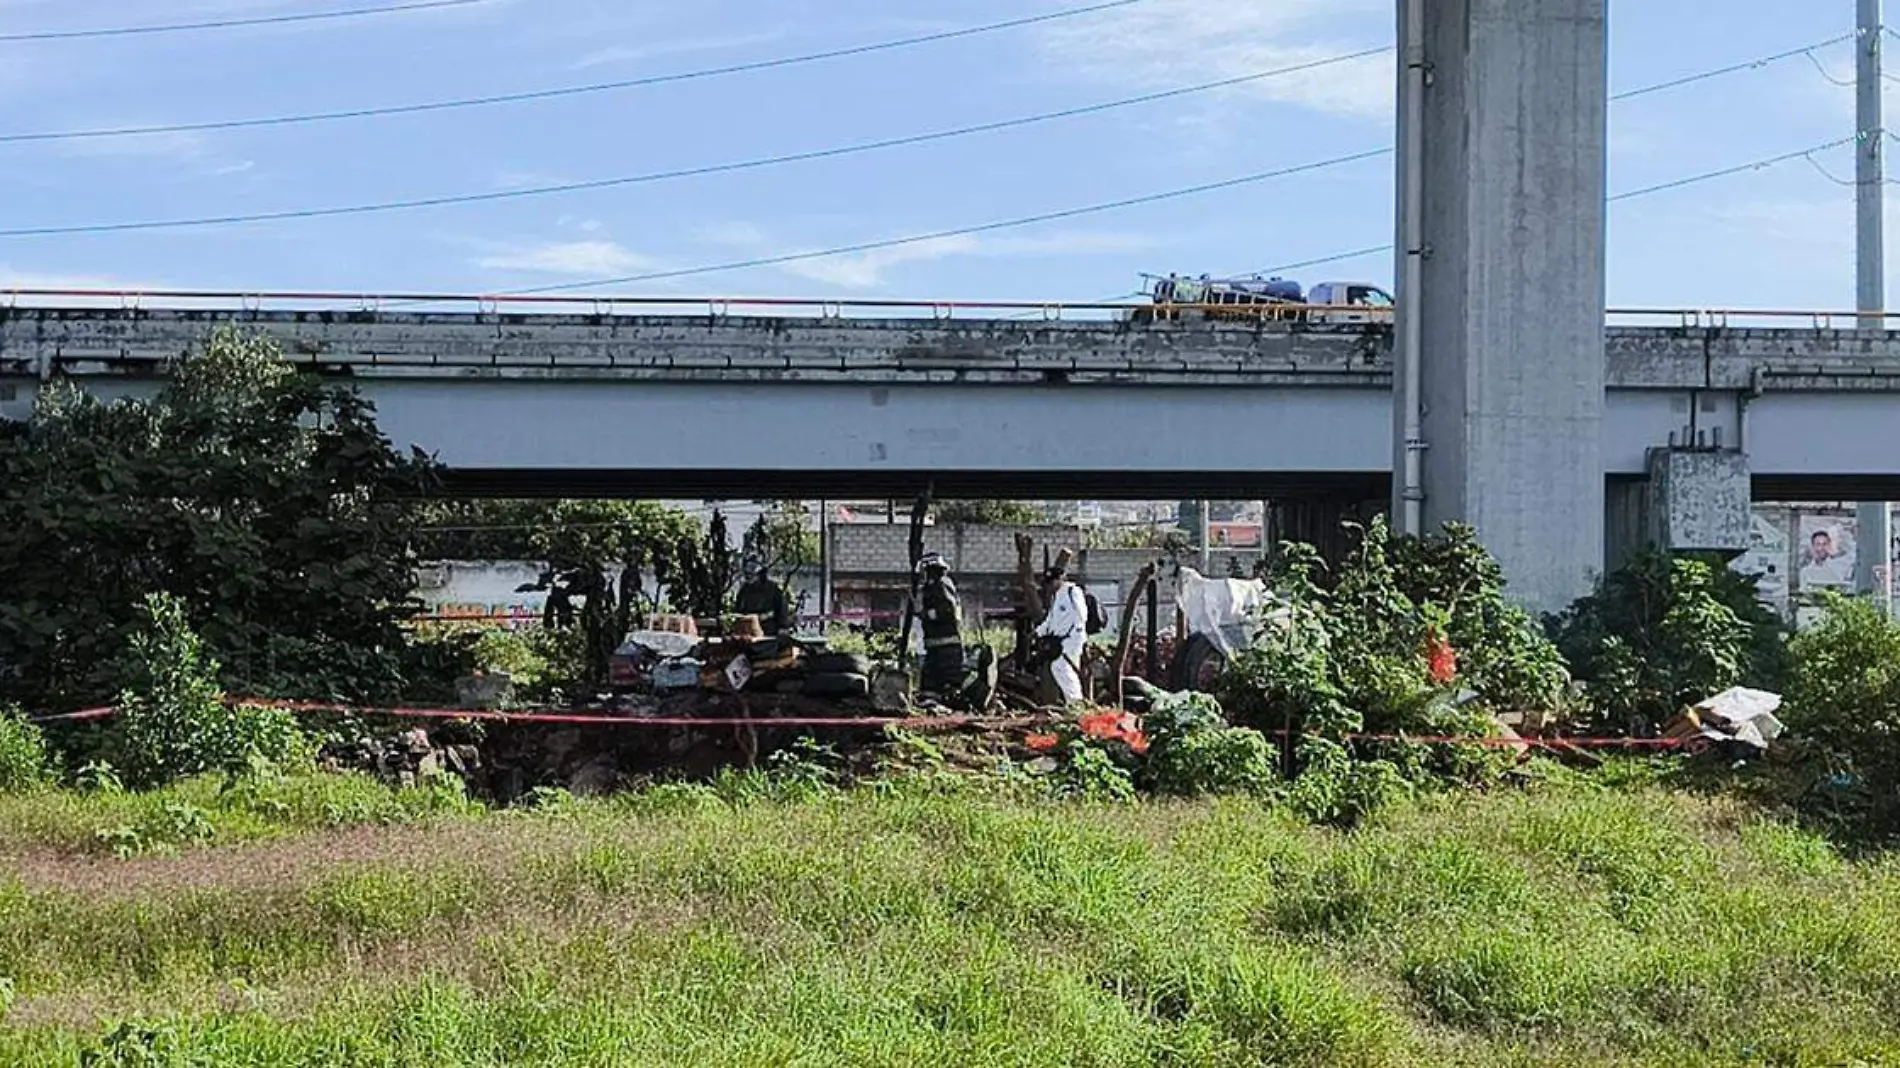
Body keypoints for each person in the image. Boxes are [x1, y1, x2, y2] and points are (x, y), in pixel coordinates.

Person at [1035, 564, 1089, 705]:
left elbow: (1082, 615)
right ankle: (1072, 701)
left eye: (1052, 582)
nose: (1050, 585)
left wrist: (1075, 634)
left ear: (1060, 579)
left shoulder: (1073, 591)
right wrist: (1039, 632)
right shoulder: (1057, 596)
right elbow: (1051, 620)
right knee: (1059, 668)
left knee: (1064, 668)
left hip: (1072, 638)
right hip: (1059, 640)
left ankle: (1076, 702)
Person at [917, 552, 964, 697]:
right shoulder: (933, 586)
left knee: (950, 686)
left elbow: (948, 611)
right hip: (936, 646)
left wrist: (927, 614)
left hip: (946, 647)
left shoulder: (941, 584)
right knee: (929, 686)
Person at [733, 567, 791, 636]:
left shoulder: (772, 588)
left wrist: (783, 626)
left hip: (769, 629)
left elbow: (782, 608)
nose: (749, 577)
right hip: (748, 629)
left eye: (752, 575)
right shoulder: (744, 589)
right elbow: (738, 609)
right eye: (747, 575)